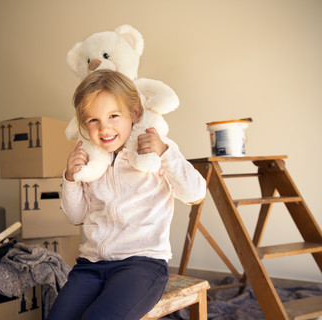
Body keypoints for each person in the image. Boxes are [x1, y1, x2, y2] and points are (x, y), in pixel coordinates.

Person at [46, 70, 206, 320]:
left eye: (113, 115)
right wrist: (70, 177)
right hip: (91, 266)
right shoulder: (91, 161)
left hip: (141, 265)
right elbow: (75, 216)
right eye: (92, 120)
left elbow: (195, 193)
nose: (104, 127)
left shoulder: (155, 150)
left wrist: (165, 153)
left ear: (134, 113)